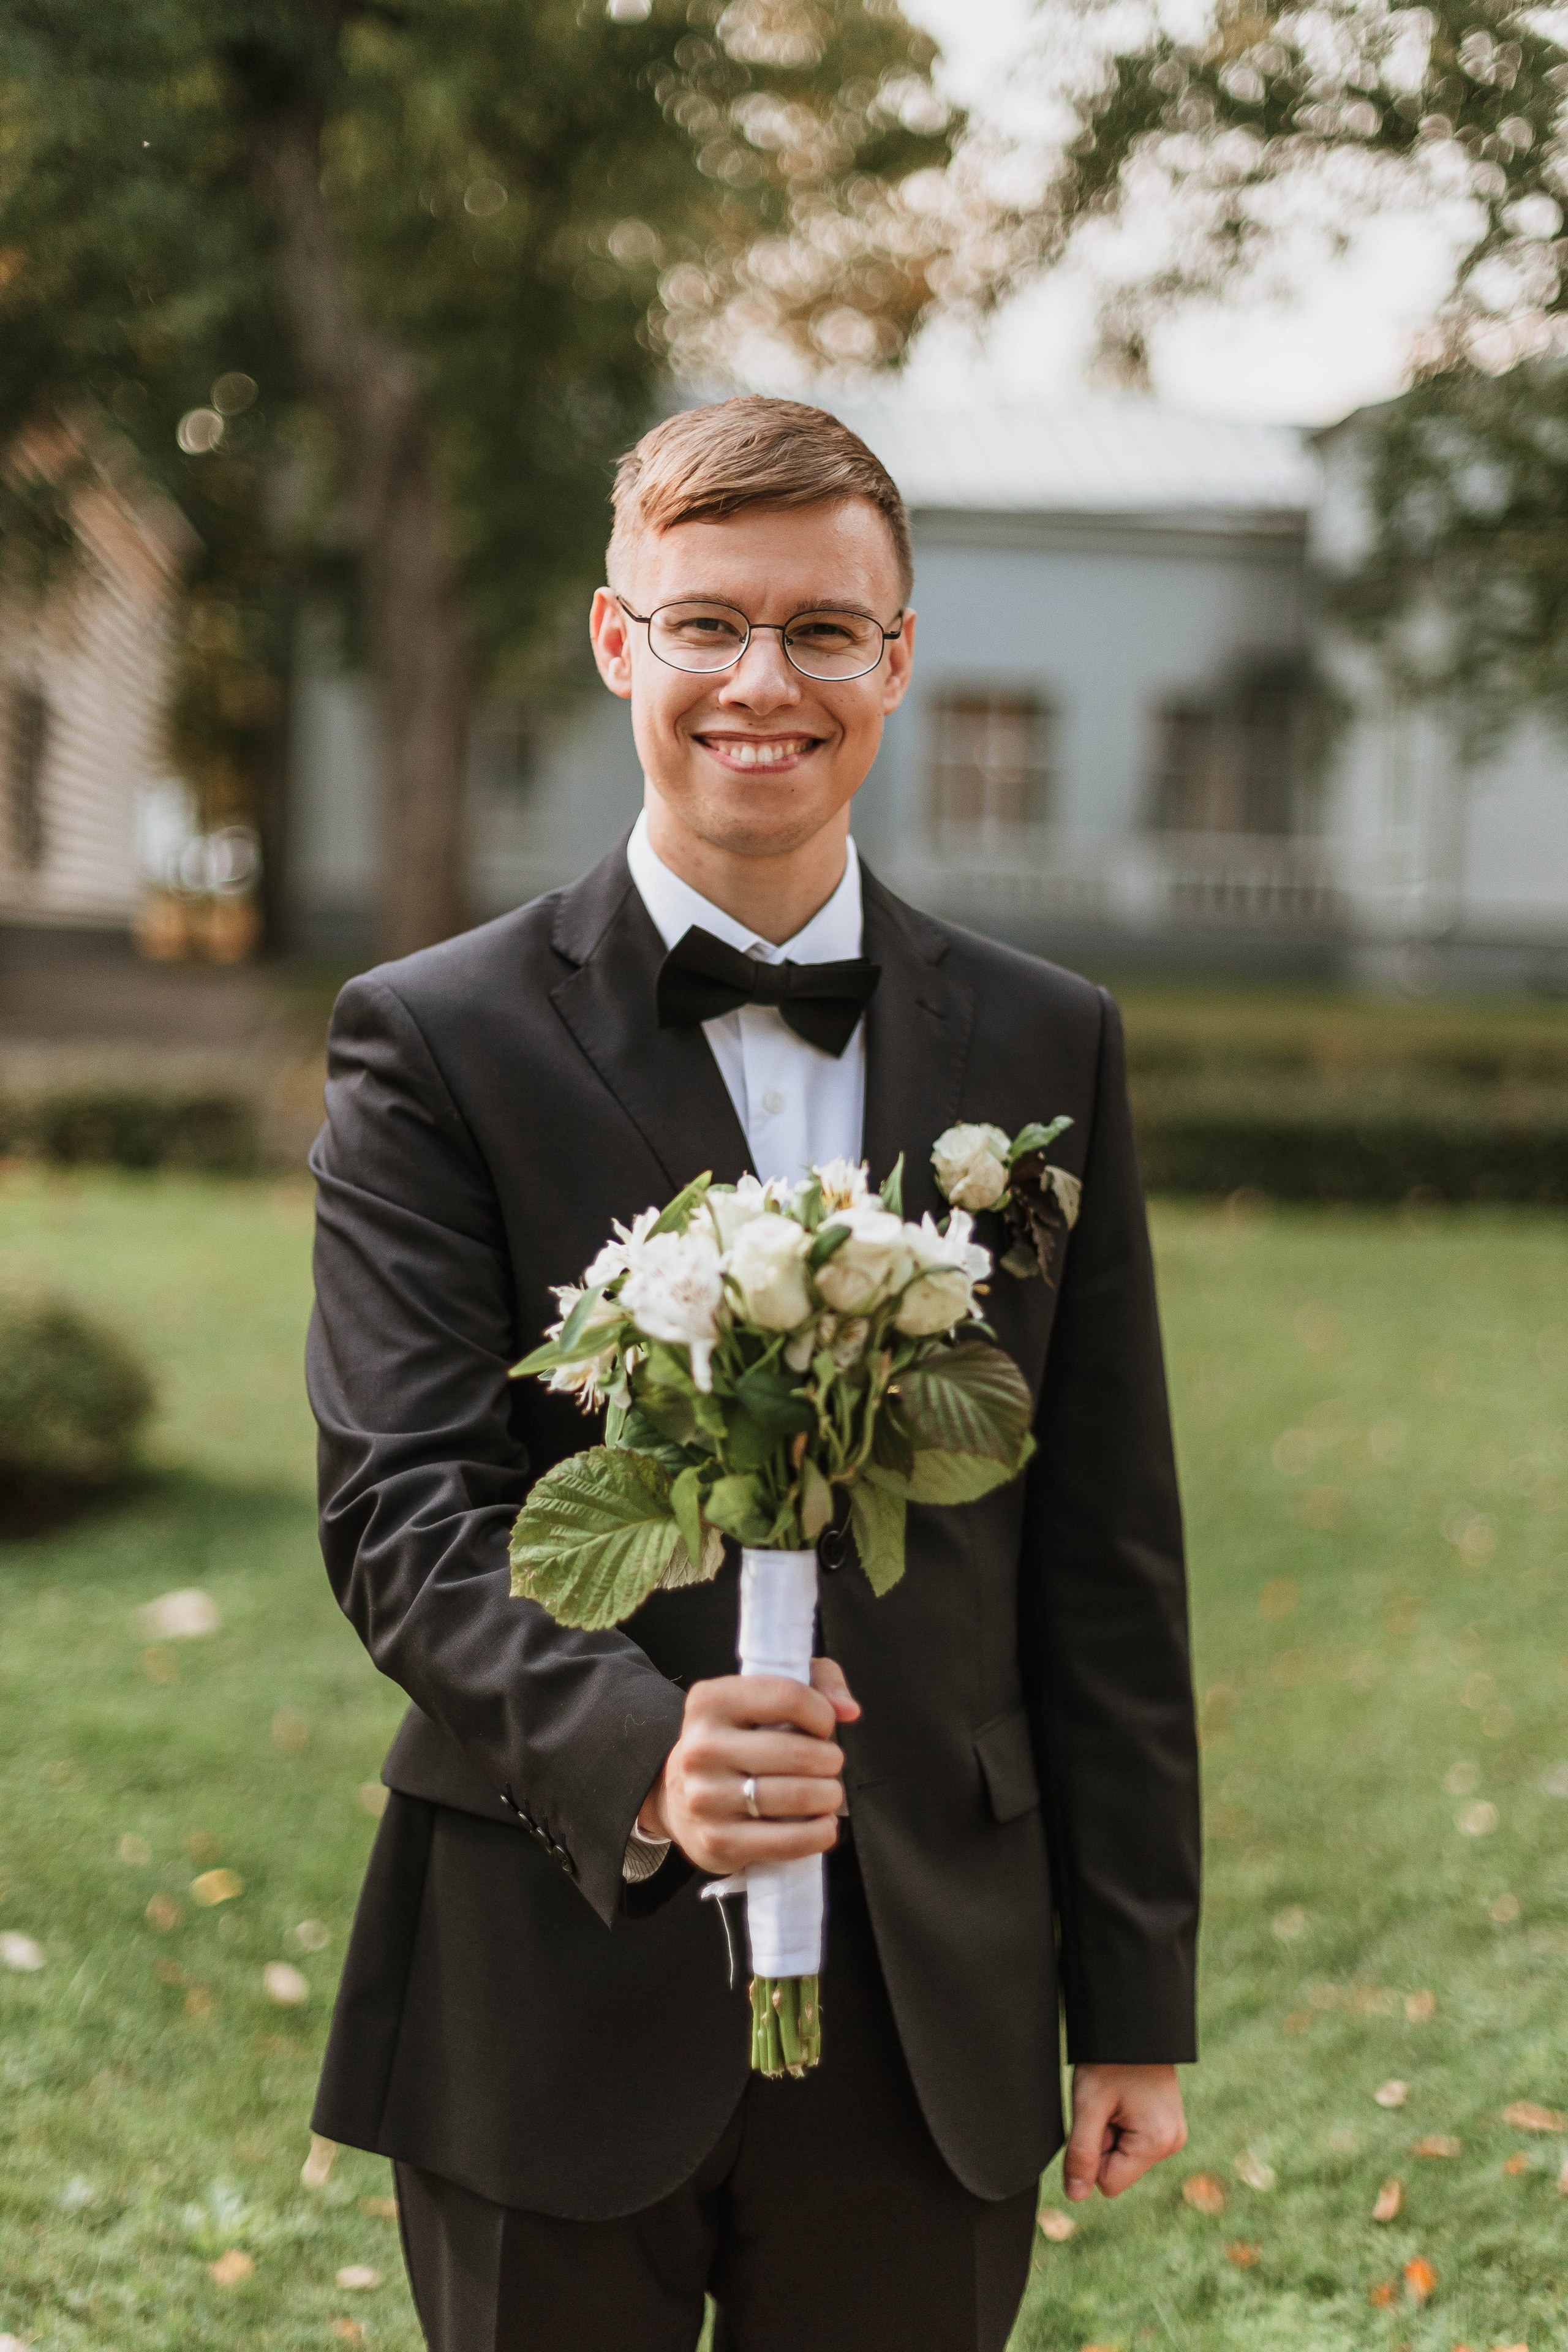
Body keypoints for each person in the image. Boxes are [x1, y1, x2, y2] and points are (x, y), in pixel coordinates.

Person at [307, 395, 1201, 2352]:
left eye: (821, 630)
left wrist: (1132, 1998)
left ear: (897, 659)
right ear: (620, 640)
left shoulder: (1054, 1042)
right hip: (544, 1964)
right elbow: (403, 1507)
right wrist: (648, 1761)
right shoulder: (431, 1039)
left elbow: (1109, 1548)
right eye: (707, 623)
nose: (760, 682)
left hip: (933, 1991)